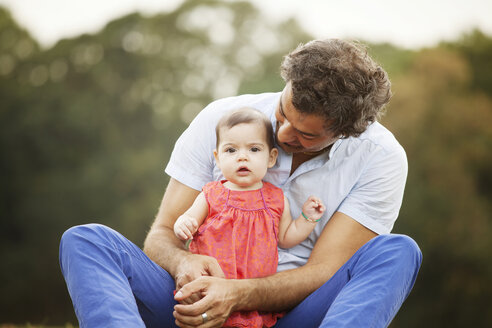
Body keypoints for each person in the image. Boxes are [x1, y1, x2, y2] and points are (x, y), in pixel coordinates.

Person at [59, 38, 422, 328]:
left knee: (399, 252)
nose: (281, 134)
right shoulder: (221, 122)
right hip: (190, 309)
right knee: (86, 240)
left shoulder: (381, 157)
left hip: (294, 315)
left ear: (344, 133)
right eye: (283, 112)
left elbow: (324, 272)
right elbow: (163, 234)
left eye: (305, 134)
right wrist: (183, 263)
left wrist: (235, 294)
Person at [173, 107, 326, 327]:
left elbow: (286, 237)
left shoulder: (275, 199)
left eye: (254, 149)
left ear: (271, 157)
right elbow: (189, 219)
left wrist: (307, 218)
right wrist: (183, 224)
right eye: (231, 150)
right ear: (217, 158)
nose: (242, 156)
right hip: (208, 287)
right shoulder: (211, 194)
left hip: (251, 297)